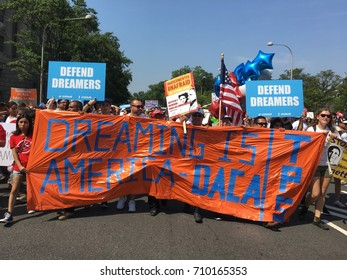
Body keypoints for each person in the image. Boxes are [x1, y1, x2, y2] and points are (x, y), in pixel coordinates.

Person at [298, 108, 341, 230]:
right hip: (315, 164)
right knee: (315, 193)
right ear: (317, 116)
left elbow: (340, 147)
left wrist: (336, 139)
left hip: (328, 165)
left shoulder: (333, 131)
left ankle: (317, 218)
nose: (326, 118)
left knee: (322, 192)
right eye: (323, 115)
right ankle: (305, 207)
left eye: (328, 116)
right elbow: (306, 143)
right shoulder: (312, 129)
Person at [0, 114, 33, 224]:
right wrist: (19, 166)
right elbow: (14, 153)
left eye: (26, 122)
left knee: (33, 189)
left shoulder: (35, 135)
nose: (23, 124)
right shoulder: (14, 136)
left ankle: (33, 205)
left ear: (30, 123)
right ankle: (9, 213)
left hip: (33, 167)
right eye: (21, 122)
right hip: (19, 167)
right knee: (14, 190)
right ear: (17, 123)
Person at [117, 99, 146, 212]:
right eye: (137, 106)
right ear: (131, 106)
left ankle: (132, 200)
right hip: (123, 152)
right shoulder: (123, 118)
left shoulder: (145, 119)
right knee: (123, 175)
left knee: (135, 176)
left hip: (138, 152)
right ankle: (122, 197)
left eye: (140, 107)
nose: (139, 109)